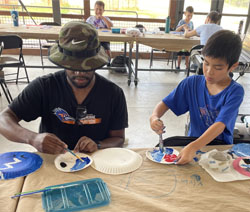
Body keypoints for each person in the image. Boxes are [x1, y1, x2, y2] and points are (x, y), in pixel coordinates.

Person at [0, 21, 128, 155]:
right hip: (53, 160)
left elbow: (118, 138)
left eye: (86, 68)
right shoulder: (45, 87)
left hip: (96, 160)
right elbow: (4, 119)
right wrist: (32, 138)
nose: (79, 73)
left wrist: (98, 144)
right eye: (72, 67)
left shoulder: (113, 93)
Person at [150, 30, 244, 165]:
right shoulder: (191, 83)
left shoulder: (235, 91)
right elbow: (165, 103)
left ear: (233, 66)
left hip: (219, 148)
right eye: (206, 63)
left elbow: (220, 125)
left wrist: (194, 147)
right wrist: (154, 117)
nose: (209, 71)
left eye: (218, 67)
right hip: (193, 141)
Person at [175, 6, 194, 70]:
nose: (190, 17)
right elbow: (177, 30)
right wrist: (182, 26)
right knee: (180, 54)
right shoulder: (182, 21)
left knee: (187, 54)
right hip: (181, 40)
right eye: (188, 15)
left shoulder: (191, 23)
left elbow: (193, 31)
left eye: (191, 16)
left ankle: (187, 66)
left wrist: (190, 30)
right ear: (185, 14)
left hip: (188, 41)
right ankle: (178, 66)